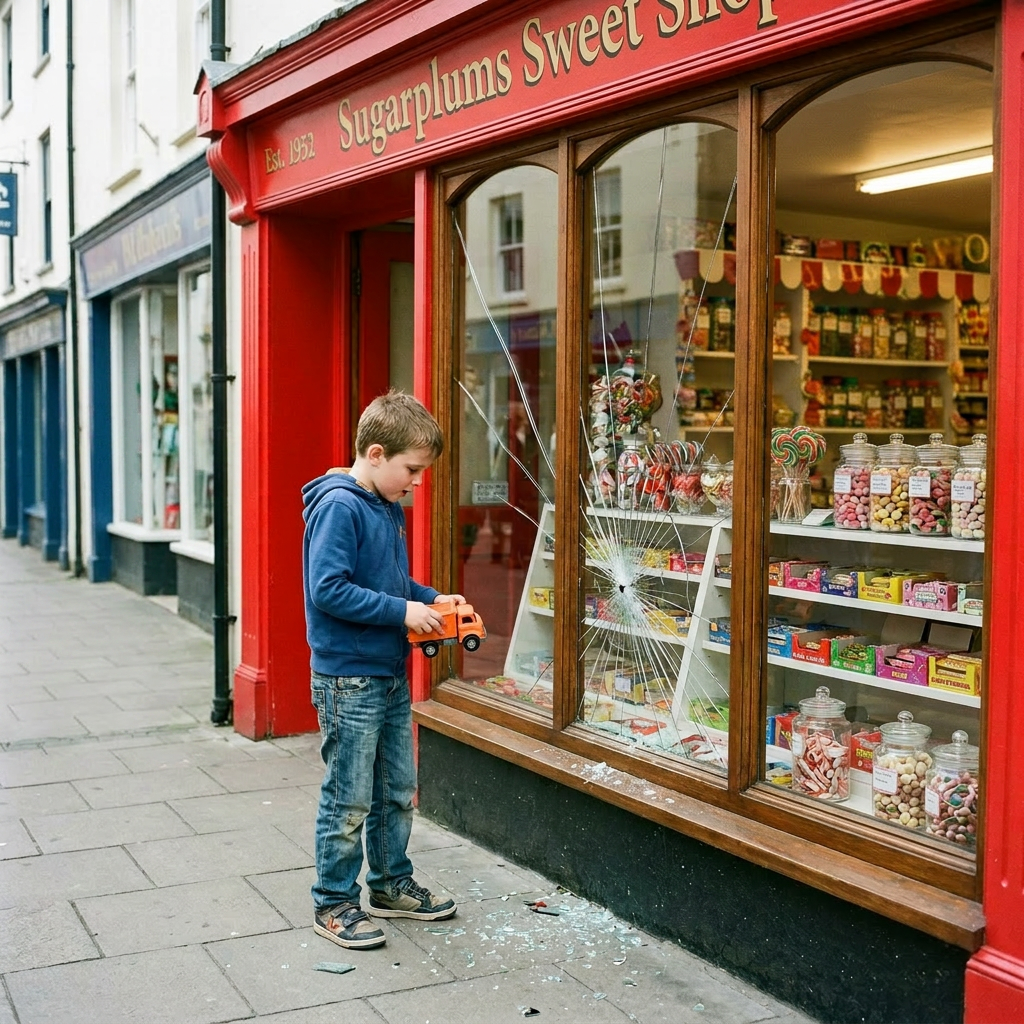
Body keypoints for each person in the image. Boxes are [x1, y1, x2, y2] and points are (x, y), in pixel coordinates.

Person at [302, 390, 463, 950]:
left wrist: (433, 600)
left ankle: (391, 884)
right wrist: (403, 612)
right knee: (349, 796)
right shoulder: (340, 507)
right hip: (349, 679)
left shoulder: (384, 505)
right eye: (411, 470)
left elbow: (389, 586)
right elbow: (328, 590)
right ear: (375, 453)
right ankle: (334, 902)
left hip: (387, 672)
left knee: (396, 787)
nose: (415, 483)